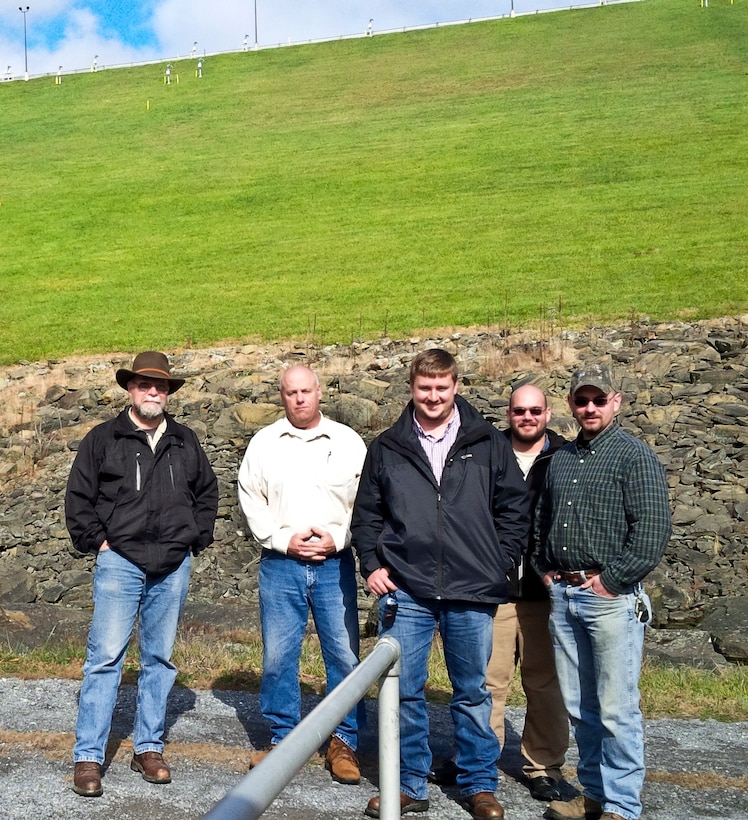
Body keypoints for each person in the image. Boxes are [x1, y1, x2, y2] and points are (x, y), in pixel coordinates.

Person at [352, 349, 530, 820]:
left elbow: (514, 508)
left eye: (442, 388)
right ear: (412, 387)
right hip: (406, 588)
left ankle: (479, 785)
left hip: (472, 587)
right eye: (424, 388)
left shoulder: (487, 442)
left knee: (472, 691)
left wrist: (503, 562)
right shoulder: (387, 447)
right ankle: (409, 783)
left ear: (455, 387)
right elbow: (366, 516)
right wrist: (372, 563)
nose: (433, 397)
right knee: (405, 689)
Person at [66, 351, 218, 798]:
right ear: (130, 388)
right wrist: (99, 542)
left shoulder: (186, 441)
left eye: (161, 386)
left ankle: (147, 748)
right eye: (145, 384)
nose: (154, 392)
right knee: (105, 658)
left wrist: (196, 538)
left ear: (169, 392)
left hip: (172, 565)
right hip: (120, 562)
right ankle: (89, 756)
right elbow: (79, 498)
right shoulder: (103, 439)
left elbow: (207, 493)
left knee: (159, 659)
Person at [533, 363, 671, 820]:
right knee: (578, 705)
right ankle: (593, 793)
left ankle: (622, 805)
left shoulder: (635, 457)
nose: (588, 407)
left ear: (616, 401)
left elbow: (652, 531)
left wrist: (611, 582)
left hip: (609, 598)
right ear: (571, 405)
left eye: (598, 399)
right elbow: (540, 523)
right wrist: (546, 570)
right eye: (580, 400)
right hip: (564, 594)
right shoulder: (561, 458)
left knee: (615, 708)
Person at [237, 365, 367, 785]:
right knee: (278, 656)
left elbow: (365, 503)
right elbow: (251, 498)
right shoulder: (264, 443)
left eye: (305, 391)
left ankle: (343, 741)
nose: (299, 399)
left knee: (344, 656)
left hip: (335, 565)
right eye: (291, 393)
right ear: (282, 396)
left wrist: (338, 539)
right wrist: (281, 540)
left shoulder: (348, 443)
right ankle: (283, 739)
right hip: (281, 565)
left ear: (319, 392)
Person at [486, 384, 569, 801]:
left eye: (535, 410)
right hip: (494, 589)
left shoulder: (566, 457)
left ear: (548, 414)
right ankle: (480, 758)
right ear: (509, 414)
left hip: (544, 591)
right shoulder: (487, 452)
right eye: (519, 410)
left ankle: (543, 766)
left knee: (544, 684)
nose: (527, 417)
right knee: (487, 681)